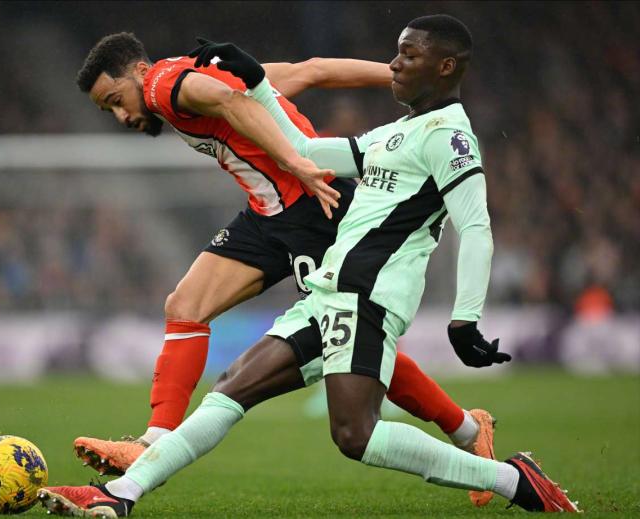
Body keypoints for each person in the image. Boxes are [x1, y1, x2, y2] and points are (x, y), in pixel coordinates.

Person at [38, 16, 579, 517]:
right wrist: (381, 79)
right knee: (218, 359)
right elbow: (310, 80)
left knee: (354, 412)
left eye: (115, 101)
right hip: (281, 227)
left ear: (136, 71)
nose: (120, 116)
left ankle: (487, 453)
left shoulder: (161, 83)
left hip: (319, 220)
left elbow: (475, 225)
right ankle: (124, 489)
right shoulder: (395, 132)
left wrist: (465, 317)